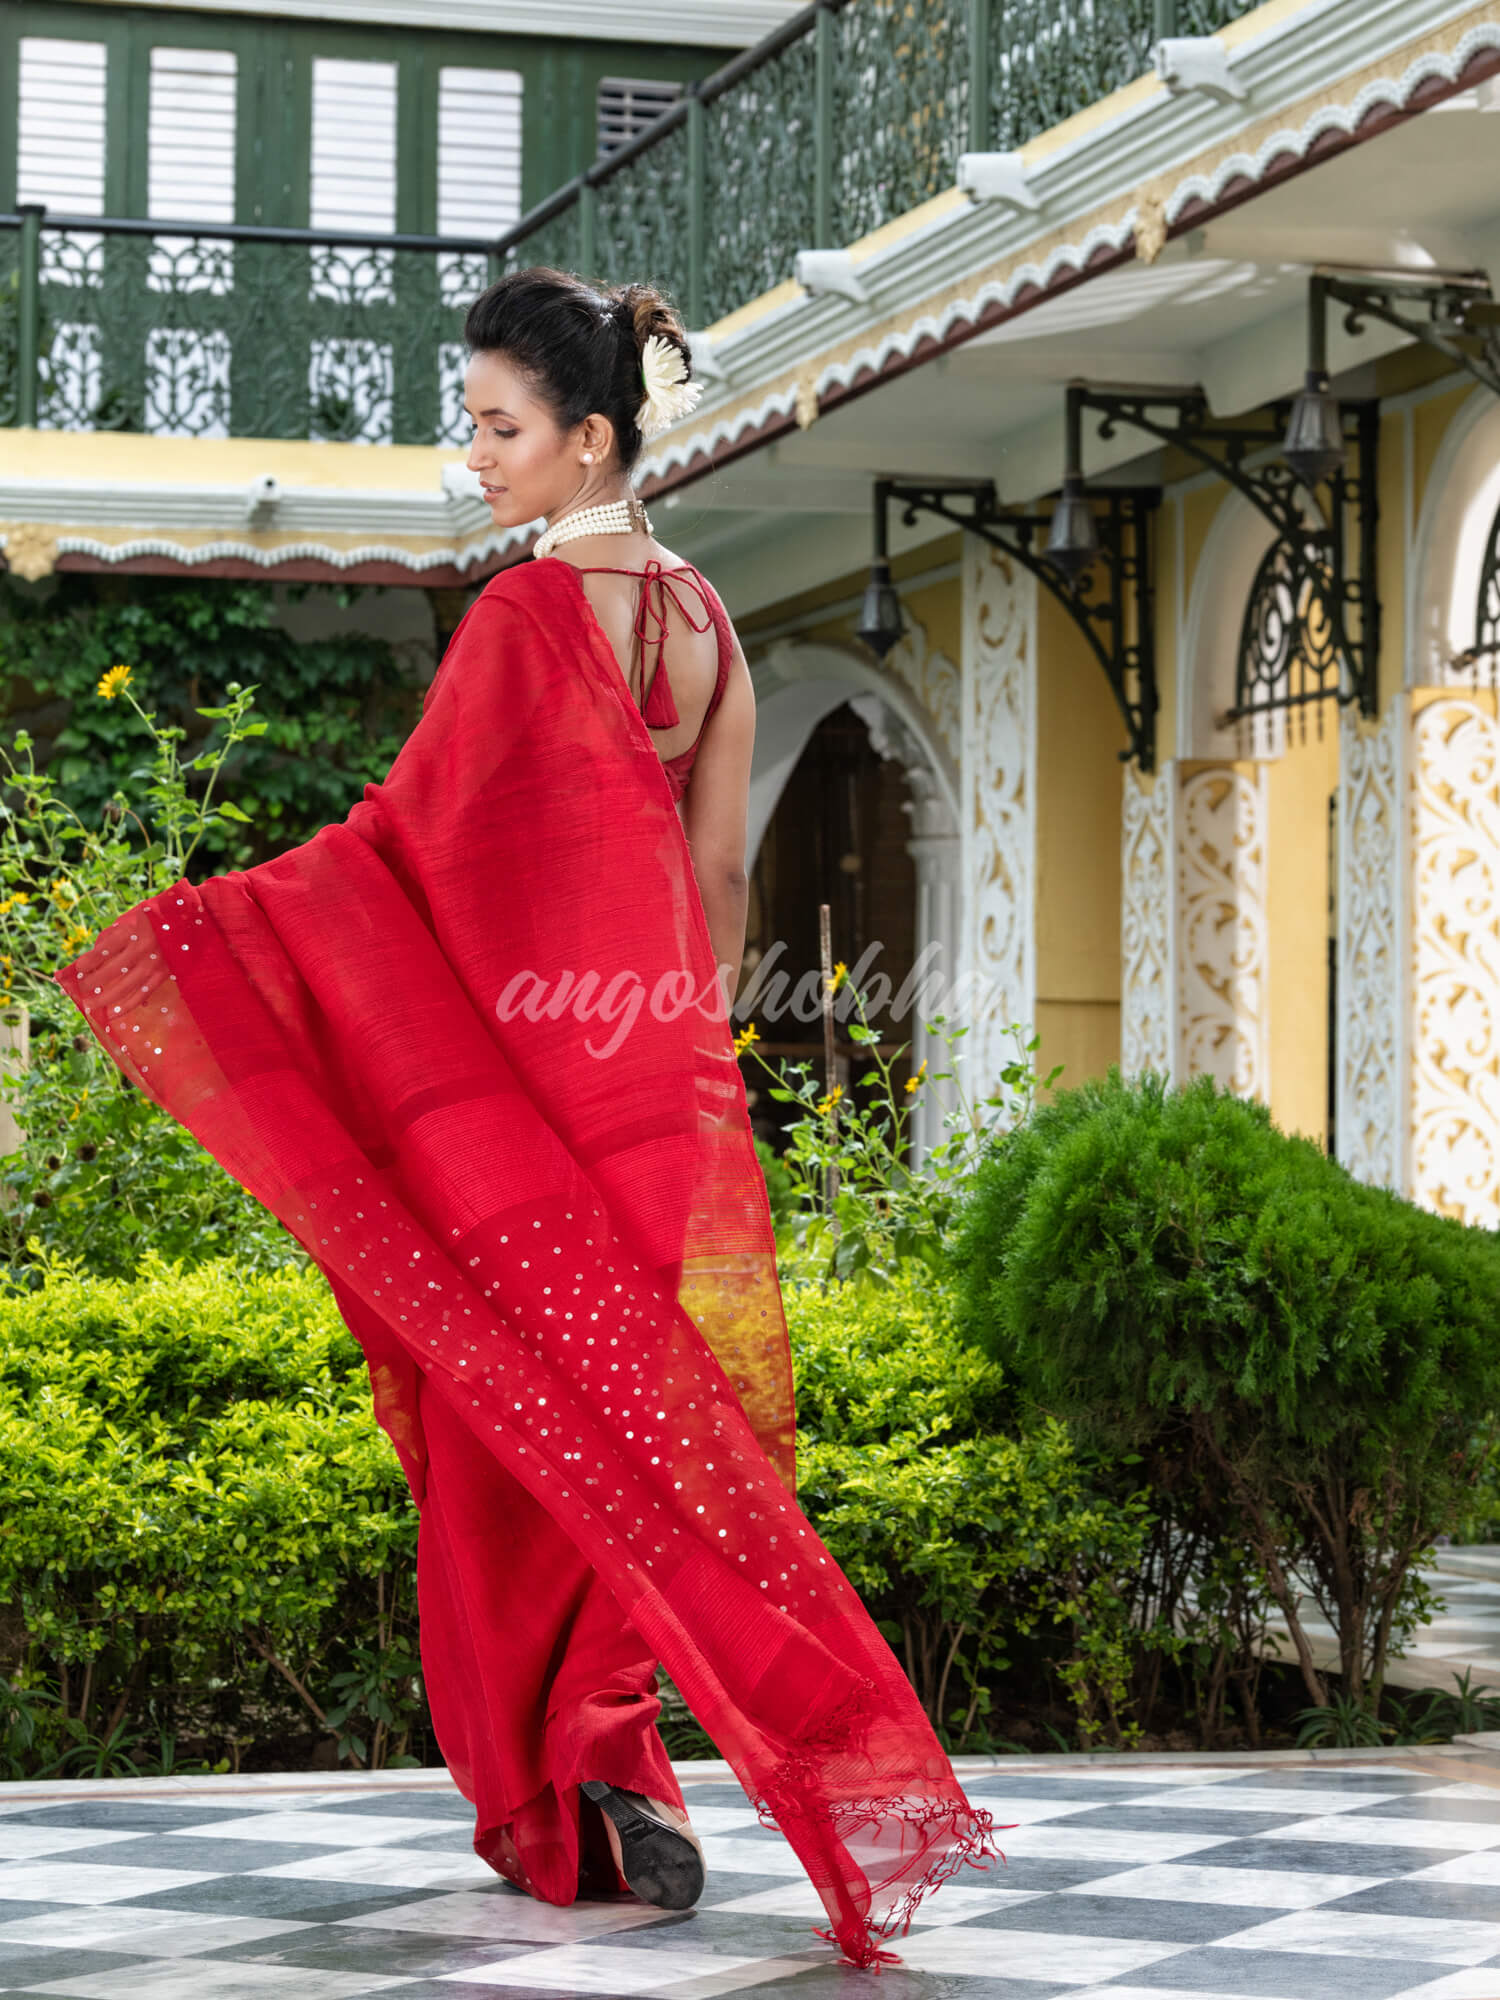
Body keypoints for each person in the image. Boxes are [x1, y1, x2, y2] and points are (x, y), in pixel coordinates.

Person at [53, 266, 1002, 1969]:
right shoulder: (709, 630)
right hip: (664, 1101)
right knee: (641, 1437)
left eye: (500, 431)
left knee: (513, 1447)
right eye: (470, 427)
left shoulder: (523, 623)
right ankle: (629, 1760)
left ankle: (572, 1782)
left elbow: (404, 857)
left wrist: (235, 937)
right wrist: (671, 1064)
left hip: (522, 1113)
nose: (475, 458)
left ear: (589, 440)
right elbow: (715, 880)